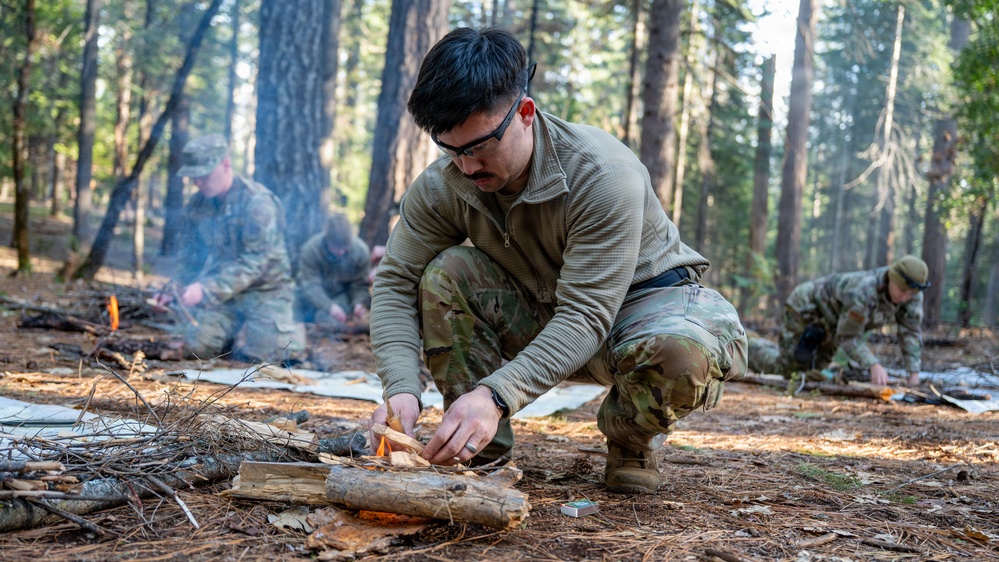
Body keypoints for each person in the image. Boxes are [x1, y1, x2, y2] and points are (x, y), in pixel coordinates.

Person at [366, 27, 747, 495]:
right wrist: (400, 388)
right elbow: (395, 281)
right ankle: (475, 447)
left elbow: (586, 314)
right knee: (446, 272)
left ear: (525, 112)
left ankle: (631, 437)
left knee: (682, 351)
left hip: (639, 312)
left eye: (480, 146)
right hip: (546, 311)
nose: (467, 167)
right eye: (452, 149)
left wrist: (496, 395)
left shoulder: (603, 174)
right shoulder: (446, 184)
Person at [155, 133, 305, 364]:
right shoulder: (197, 204)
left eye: (204, 175)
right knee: (194, 347)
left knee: (272, 357)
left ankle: (290, 335)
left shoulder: (258, 203)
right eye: (194, 177)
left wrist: (206, 289)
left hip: (265, 291)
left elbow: (256, 263)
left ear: (226, 164)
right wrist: (175, 287)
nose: (198, 183)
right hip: (222, 294)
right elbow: (189, 256)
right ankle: (225, 336)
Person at [747, 255, 928, 387]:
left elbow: (910, 332)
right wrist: (873, 365)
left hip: (834, 321)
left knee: (813, 374)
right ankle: (745, 345)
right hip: (804, 309)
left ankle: (757, 343)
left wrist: (914, 374)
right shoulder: (864, 291)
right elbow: (849, 337)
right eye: (901, 290)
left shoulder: (911, 296)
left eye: (911, 293)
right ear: (891, 277)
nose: (904, 297)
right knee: (790, 371)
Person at [296, 213, 371, 331]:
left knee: (324, 318)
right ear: (327, 240)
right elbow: (310, 286)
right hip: (312, 296)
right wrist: (329, 306)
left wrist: (358, 303)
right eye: (336, 247)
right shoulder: (311, 250)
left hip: (340, 296)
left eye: (345, 247)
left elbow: (359, 285)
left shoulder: (360, 251)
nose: (341, 252)